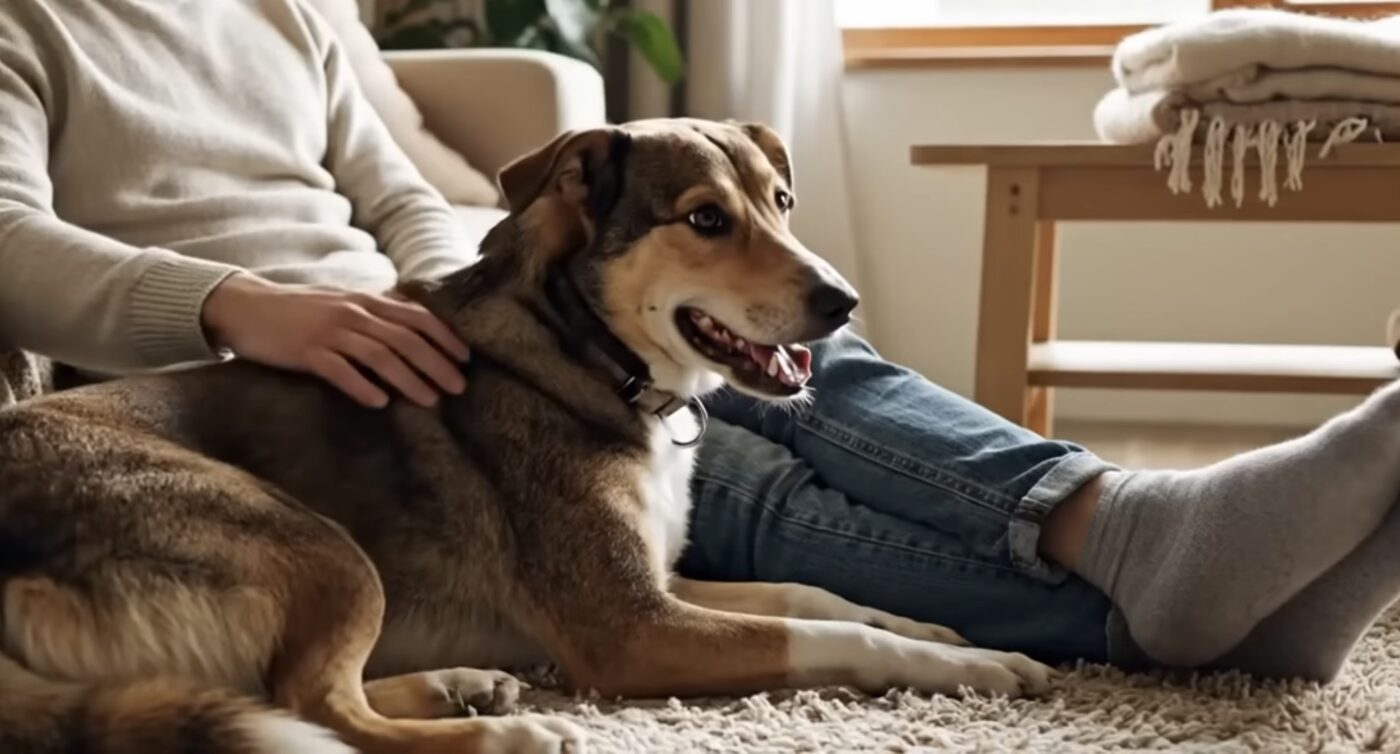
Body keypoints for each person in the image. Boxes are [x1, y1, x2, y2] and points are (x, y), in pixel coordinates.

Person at [3, 0, 1398, 684]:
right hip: (258, 377)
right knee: (755, 476)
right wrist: (236, 303)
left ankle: (1179, 575)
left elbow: (395, 191)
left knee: (790, 381)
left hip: (437, 334)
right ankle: (1158, 556)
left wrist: (488, 301)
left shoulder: (285, 6)